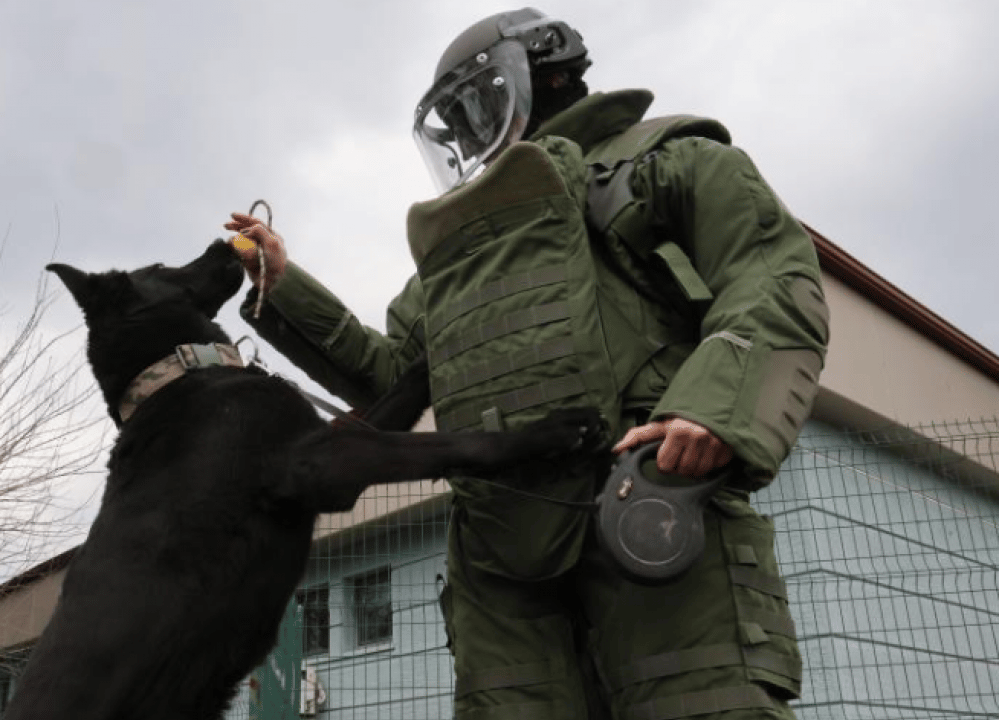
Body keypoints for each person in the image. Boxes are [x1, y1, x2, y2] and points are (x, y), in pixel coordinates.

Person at [225, 8, 829, 719]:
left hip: (651, 504)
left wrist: (709, 407)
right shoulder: (457, 256)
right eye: (455, 120)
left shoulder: (664, 161)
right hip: (498, 560)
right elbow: (391, 379)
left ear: (544, 72)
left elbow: (773, 278)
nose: (471, 132)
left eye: (474, 104)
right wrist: (282, 283)